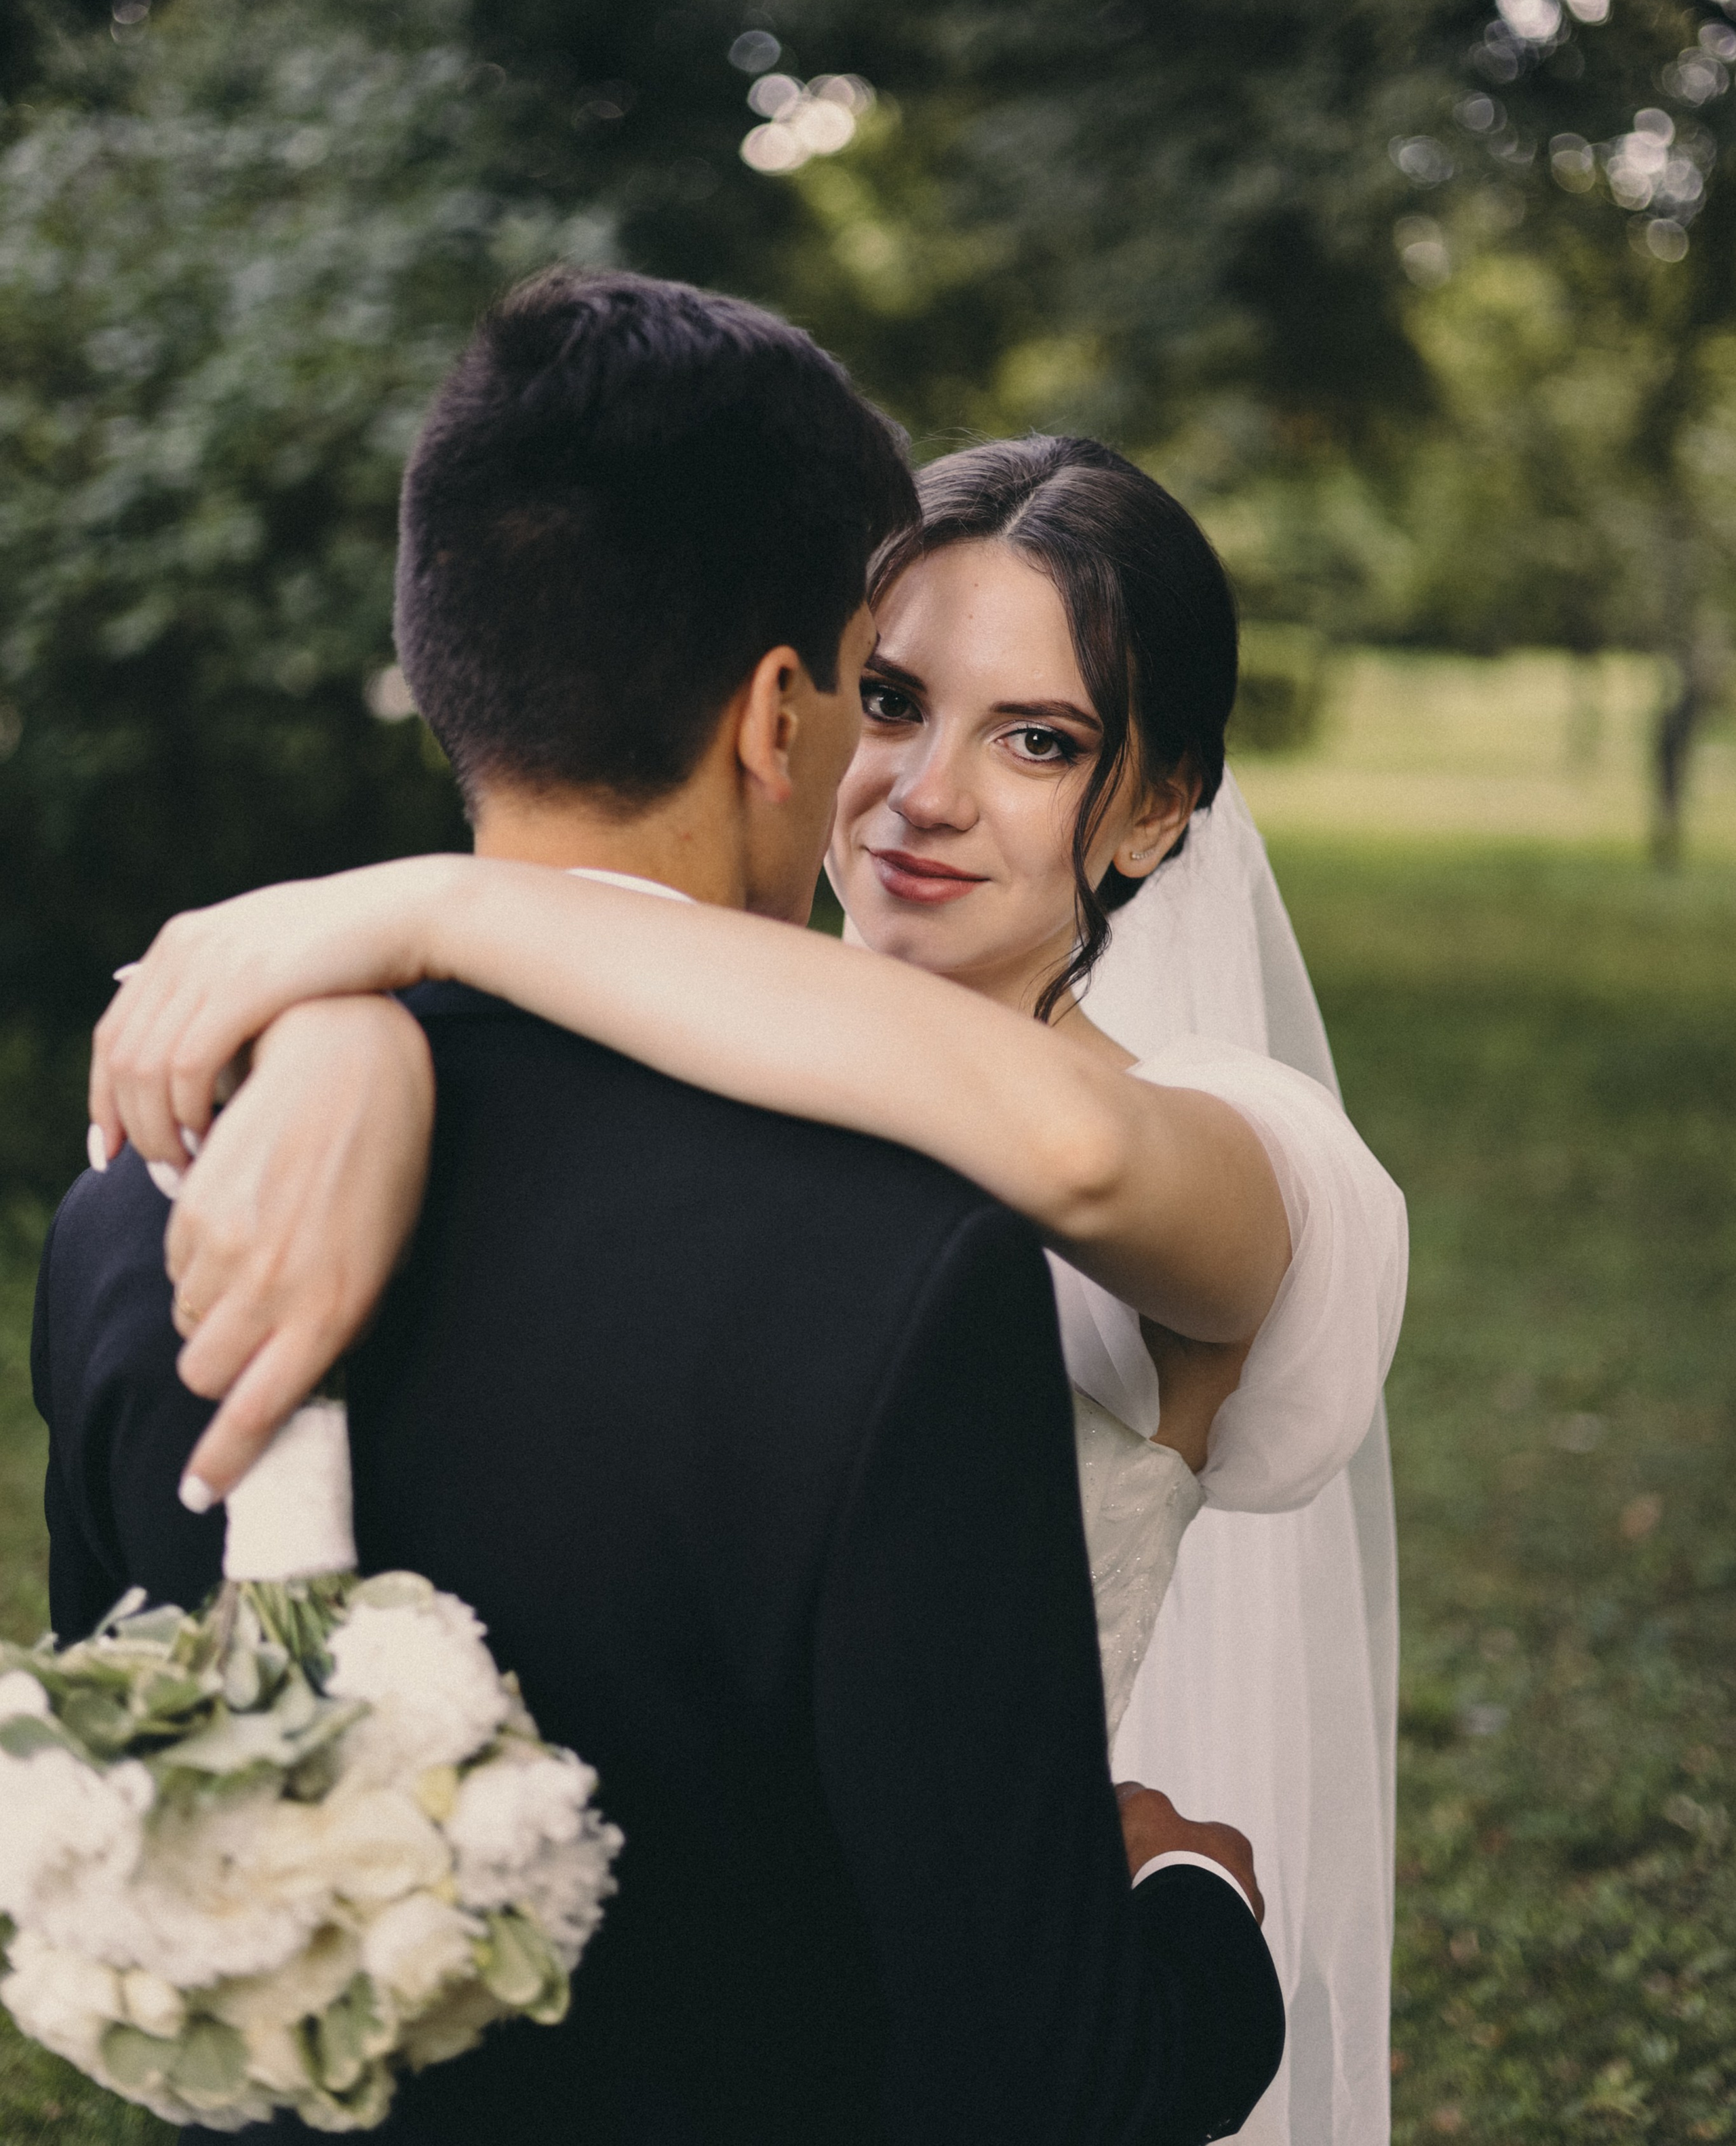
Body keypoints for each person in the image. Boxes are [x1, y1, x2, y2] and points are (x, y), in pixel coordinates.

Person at [38, 268, 1289, 2146]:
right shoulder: (903, 1265)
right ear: (783, 714)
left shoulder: (133, 1209)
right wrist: (1205, 1914)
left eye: (1032, 735)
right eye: (883, 695)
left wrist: (385, 968)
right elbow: (1055, 2079)